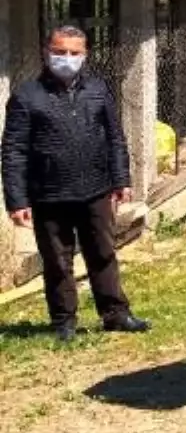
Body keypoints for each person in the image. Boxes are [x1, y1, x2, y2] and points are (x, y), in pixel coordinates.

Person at [1, 26, 150, 343]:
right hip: (48, 195)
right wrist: (17, 200)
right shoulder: (27, 97)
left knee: (103, 252)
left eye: (74, 53)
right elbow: (13, 151)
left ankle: (116, 313)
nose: (66, 59)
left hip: (95, 189)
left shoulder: (97, 90)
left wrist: (121, 179)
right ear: (46, 51)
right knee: (57, 260)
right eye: (59, 52)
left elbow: (115, 138)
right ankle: (64, 321)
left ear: (85, 55)